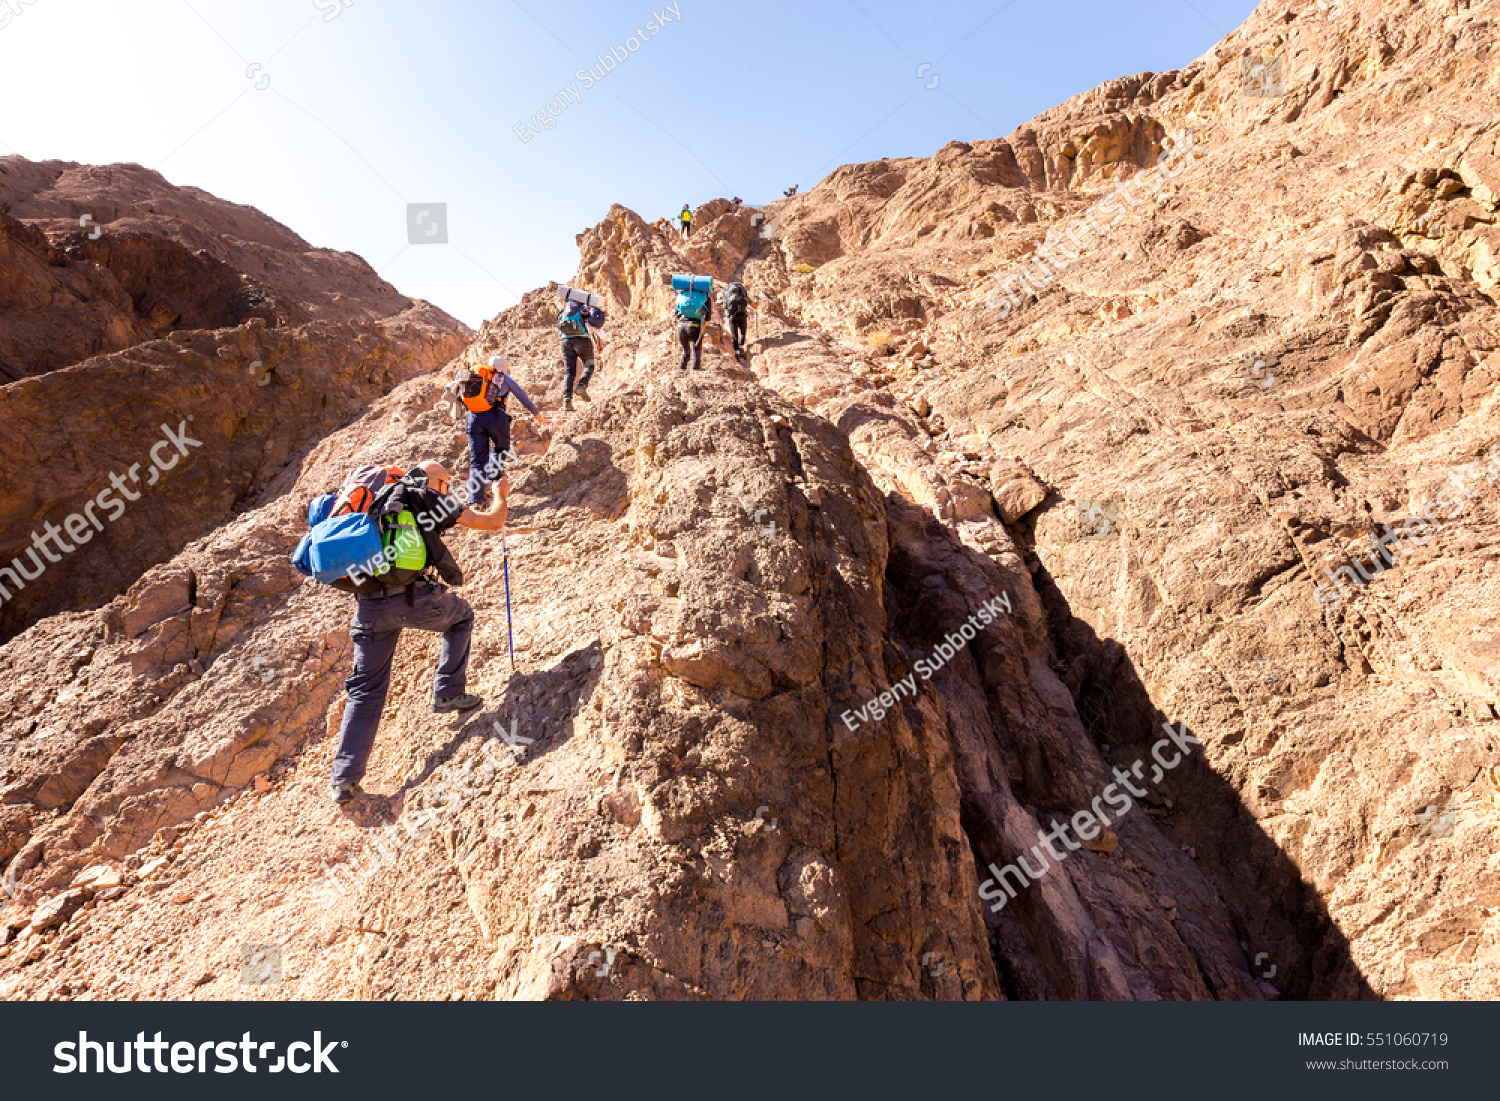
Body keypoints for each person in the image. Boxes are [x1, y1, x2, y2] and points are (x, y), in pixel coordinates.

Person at [329, 461, 509, 805]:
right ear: (437, 481)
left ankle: (344, 780)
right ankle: (447, 692)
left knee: (365, 690)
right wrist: (500, 495)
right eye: (446, 483)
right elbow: (492, 522)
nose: (446, 488)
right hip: (414, 599)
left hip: (367, 608)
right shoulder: (423, 496)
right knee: (461, 618)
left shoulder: (371, 503)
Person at [444, 355, 547, 507]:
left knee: (478, 461)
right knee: (501, 446)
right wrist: (538, 416)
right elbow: (521, 396)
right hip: (495, 416)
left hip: (473, 419)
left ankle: (475, 502)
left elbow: (453, 393)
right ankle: (494, 475)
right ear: (504, 368)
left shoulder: (475, 376)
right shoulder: (502, 377)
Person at [557, 298, 605, 412]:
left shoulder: (565, 310)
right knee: (589, 365)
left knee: (569, 372)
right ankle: (581, 386)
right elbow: (596, 327)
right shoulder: (585, 309)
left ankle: (567, 402)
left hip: (565, 342)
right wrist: (600, 345)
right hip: (582, 340)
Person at [676, 284, 713, 371]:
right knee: (696, 354)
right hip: (695, 325)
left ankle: (680, 374)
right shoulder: (705, 297)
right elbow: (708, 317)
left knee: (686, 352)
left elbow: (676, 314)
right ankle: (694, 377)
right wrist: (702, 327)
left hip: (681, 326)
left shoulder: (682, 295)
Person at [721, 281, 750, 358]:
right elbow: (751, 303)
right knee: (743, 333)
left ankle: (737, 352)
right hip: (742, 315)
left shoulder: (727, 294)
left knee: (735, 336)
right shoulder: (743, 294)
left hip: (732, 316)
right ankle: (741, 347)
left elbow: (724, 305)